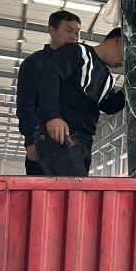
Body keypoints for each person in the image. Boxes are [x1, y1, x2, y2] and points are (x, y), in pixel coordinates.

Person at [35, 27, 126, 177]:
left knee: (76, 188)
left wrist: (124, 92)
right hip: (63, 132)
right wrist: (52, 116)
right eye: (127, 54)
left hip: (84, 141)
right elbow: (51, 78)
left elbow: (109, 106)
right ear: (118, 41)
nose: (124, 63)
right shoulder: (77, 52)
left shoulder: (107, 79)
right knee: (76, 188)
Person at [15, 11, 81, 175]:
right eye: (68, 30)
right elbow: (26, 104)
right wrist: (30, 141)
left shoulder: (78, 66)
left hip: (74, 145)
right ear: (51, 30)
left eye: (77, 31)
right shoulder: (36, 63)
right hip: (44, 143)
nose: (74, 35)